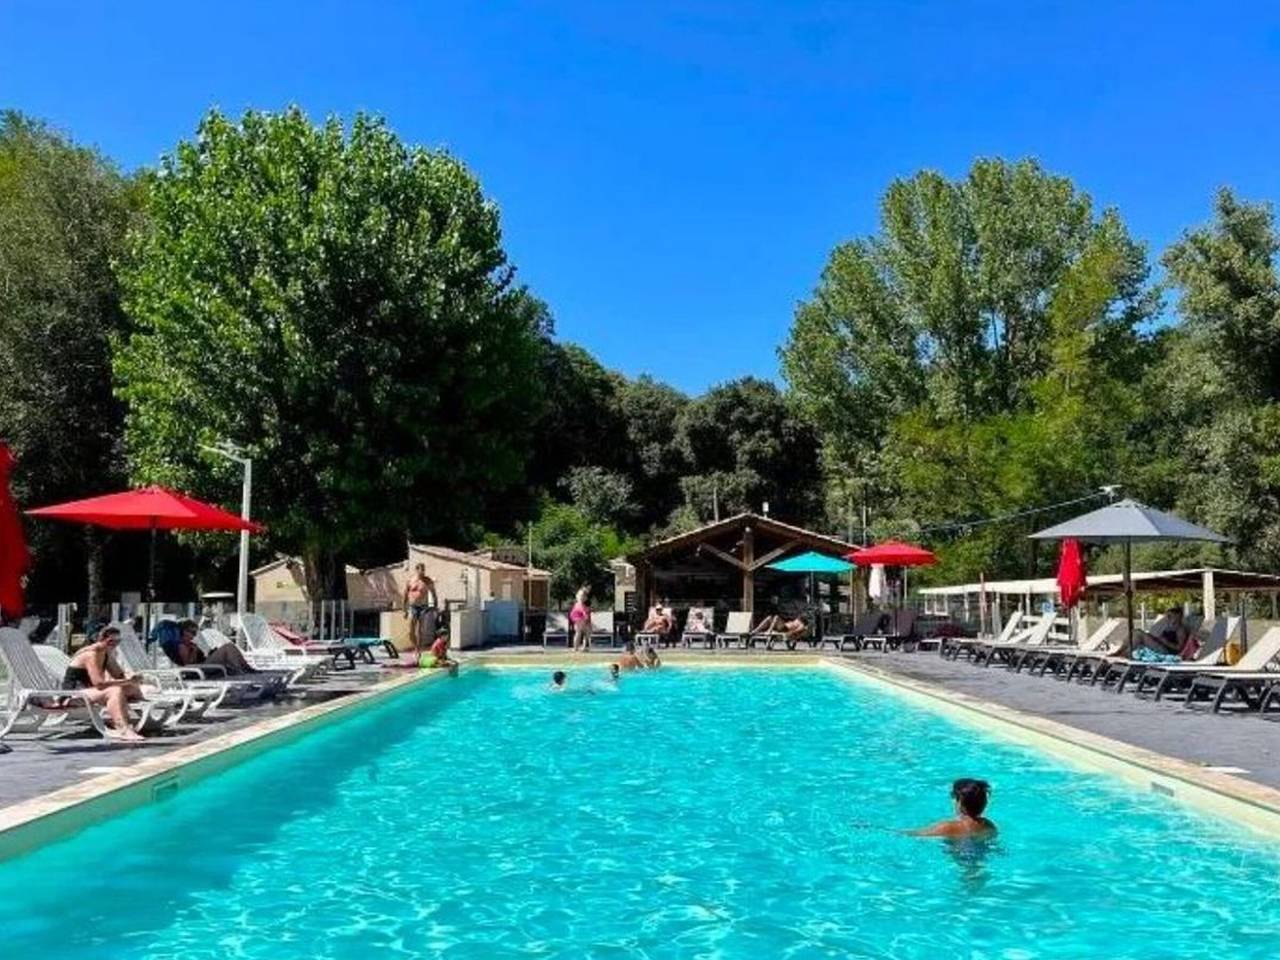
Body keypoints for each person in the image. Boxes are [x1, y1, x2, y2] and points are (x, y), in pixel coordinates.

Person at [61, 625, 147, 742]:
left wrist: (131, 678)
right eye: (111, 641)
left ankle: (139, 717)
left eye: (118, 641)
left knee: (131, 688)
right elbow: (99, 684)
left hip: (90, 692)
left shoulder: (105, 653)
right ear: (100, 638)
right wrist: (127, 681)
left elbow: (119, 675)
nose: (114, 644)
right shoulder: (91, 654)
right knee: (114, 691)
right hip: (73, 694)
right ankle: (123, 728)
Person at [909, 779, 997, 839]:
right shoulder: (989, 825)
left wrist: (902, 832)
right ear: (984, 804)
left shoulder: (948, 827)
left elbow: (918, 834)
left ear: (959, 802)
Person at [163, 620, 257, 676]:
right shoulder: (182, 646)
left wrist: (207, 652)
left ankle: (247, 668)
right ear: (184, 632)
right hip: (198, 669)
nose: (194, 635)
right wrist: (195, 650)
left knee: (230, 647)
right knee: (227, 648)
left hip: (203, 664)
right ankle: (240, 670)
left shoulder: (188, 643)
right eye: (192, 632)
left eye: (195, 633)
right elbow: (189, 665)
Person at [403, 563, 438, 652]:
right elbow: (405, 595)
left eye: (423, 570)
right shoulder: (410, 580)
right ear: (416, 570)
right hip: (413, 607)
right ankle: (416, 647)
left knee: (420, 630)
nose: (422, 572)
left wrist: (435, 607)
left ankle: (418, 650)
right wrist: (404, 610)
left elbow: (434, 594)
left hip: (423, 608)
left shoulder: (428, 581)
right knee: (411, 631)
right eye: (421, 570)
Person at [570, 587, 593, 652]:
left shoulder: (582, 605)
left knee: (585, 634)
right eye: (580, 596)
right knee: (579, 633)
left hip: (582, 620)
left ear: (585, 598)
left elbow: (585, 612)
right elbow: (582, 612)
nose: (581, 597)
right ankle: (576, 647)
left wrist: (588, 620)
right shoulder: (578, 605)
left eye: (583, 596)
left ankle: (583, 647)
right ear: (577, 596)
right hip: (579, 620)